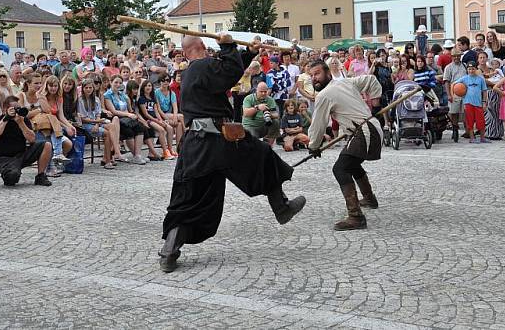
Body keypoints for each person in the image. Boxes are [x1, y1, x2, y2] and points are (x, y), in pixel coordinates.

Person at [158, 34, 305, 273]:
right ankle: (281, 207)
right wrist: (228, 45)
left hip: (196, 145)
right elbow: (226, 70)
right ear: (203, 47)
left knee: (190, 198)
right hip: (220, 138)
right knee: (263, 157)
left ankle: (169, 252)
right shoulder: (204, 65)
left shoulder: (191, 73)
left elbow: (226, 72)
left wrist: (248, 52)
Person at [307, 59, 383, 231]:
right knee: (352, 164)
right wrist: (376, 105)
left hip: (363, 131)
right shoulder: (346, 82)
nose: (314, 78)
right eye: (311, 76)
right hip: (368, 129)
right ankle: (369, 198)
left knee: (340, 168)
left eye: (317, 73)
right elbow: (371, 80)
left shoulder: (324, 95)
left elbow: (318, 124)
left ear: (327, 73)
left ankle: (356, 217)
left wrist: (313, 146)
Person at [0, 96, 53, 187]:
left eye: (18, 108)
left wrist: (21, 123)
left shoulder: (23, 120)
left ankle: (41, 175)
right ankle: (10, 172)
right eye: (14, 109)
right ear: (5, 109)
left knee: (46, 145)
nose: (16, 111)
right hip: (5, 158)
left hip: (22, 154)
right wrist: (6, 118)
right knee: (12, 178)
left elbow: (32, 139)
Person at [78, 78, 121, 169]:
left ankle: (115, 152)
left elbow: (98, 114)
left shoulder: (96, 99)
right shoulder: (80, 100)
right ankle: (109, 159)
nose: (88, 89)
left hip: (96, 122)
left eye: (90, 88)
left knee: (111, 126)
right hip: (87, 124)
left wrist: (97, 124)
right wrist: (97, 122)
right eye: (86, 88)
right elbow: (83, 119)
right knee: (107, 133)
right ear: (83, 89)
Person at [104, 75, 146, 164]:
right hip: (116, 119)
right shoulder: (107, 95)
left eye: (120, 83)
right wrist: (128, 115)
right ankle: (135, 155)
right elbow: (113, 111)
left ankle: (137, 155)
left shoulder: (122, 94)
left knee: (140, 127)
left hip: (126, 117)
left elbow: (127, 108)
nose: (118, 84)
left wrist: (130, 114)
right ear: (111, 82)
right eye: (116, 82)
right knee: (128, 131)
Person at [138, 79, 173, 160]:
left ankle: (170, 149)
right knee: (161, 130)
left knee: (170, 128)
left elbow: (156, 111)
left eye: (150, 85)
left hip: (155, 118)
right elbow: (146, 114)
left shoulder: (153, 98)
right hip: (148, 120)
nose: (148, 87)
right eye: (146, 86)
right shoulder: (141, 99)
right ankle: (165, 151)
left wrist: (160, 120)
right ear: (143, 87)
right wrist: (157, 121)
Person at [454, 62, 489, 144]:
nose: (471, 70)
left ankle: (482, 138)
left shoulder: (481, 79)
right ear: (467, 70)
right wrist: (454, 95)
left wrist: (484, 102)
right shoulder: (464, 79)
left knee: (481, 121)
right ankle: (472, 137)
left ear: (476, 69)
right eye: (469, 69)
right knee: (470, 121)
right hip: (468, 103)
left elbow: (484, 91)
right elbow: (454, 84)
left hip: (478, 103)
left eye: (473, 69)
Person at [442, 49, 466, 142]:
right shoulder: (448, 67)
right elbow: (446, 82)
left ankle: (468, 131)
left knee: (464, 112)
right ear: (451, 57)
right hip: (454, 91)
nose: (456, 57)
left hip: (464, 92)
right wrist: (448, 94)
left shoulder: (464, 66)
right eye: (454, 56)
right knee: (454, 112)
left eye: (458, 56)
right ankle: (455, 129)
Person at [156, 76, 184, 152]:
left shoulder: (171, 92)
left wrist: (174, 117)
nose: (166, 82)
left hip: (169, 114)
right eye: (163, 80)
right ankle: (188, 135)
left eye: (167, 80)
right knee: (181, 116)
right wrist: (167, 119)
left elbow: (175, 107)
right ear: (160, 82)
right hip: (160, 115)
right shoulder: (156, 92)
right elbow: (158, 109)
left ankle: (179, 147)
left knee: (179, 124)